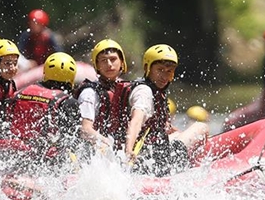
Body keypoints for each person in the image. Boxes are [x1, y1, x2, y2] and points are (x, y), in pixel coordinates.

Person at [122, 44, 209, 177]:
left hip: (151, 158)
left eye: (169, 71)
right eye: (160, 69)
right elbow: (136, 121)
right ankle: (189, 169)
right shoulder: (144, 92)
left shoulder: (154, 90)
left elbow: (155, 127)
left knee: (175, 134)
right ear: (147, 68)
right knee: (201, 127)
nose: (164, 76)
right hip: (153, 163)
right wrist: (128, 150)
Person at [8, 52, 81, 170]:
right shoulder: (68, 102)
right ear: (72, 77)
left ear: (45, 72)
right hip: (46, 160)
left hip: (15, 153)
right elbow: (72, 139)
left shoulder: (21, 92)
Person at [75, 39, 132, 153]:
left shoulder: (129, 90)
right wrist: (107, 143)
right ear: (97, 66)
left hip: (121, 148)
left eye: (113, 59)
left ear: (122, 62)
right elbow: (85, 130)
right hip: (95, 151)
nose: (109, 64)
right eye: (103, 61)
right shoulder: (89, 93)